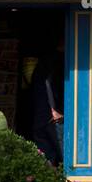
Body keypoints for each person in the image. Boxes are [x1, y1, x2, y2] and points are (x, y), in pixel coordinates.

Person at [29, 34, 65, 166]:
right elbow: (49, 83)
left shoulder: (45, 61)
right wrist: (54, 109)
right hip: (50, 116)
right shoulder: (56, 60)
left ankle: (49, 181)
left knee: (46, 154)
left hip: (42, 114)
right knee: (61, 155)